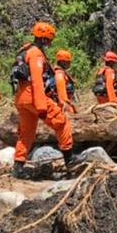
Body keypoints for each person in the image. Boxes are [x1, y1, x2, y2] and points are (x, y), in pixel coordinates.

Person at [11, 22, 74, 177]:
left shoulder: (25, 50)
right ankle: (70, 162)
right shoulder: (36, 54)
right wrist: (41, 108)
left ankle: (18, 167)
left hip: (21, 97)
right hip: (33, 95)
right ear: (46, 38)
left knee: (26, 133)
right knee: (61, 122)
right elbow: (37, 80)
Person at [53, 49, 77, 116]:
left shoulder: (61, 73)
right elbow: (62, 97)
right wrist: (67, 112)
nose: (70, 64)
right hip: (64, 109)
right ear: (63, 62)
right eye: (68, 62)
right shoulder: (59, 75)